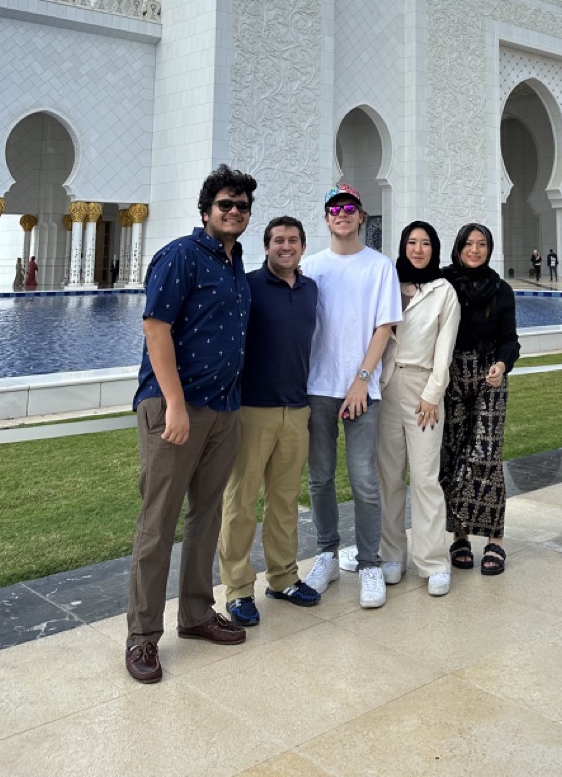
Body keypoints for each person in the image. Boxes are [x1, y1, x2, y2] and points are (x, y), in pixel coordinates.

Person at [125, 164, 256, 684]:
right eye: (226, 204)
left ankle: (197, 613)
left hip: (223, 410)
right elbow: (156, 328)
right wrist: (175, 405)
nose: (235, 212)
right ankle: (141, 637)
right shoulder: (181, 254)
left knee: (206, 517)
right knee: (157, 524)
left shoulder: (235, 262)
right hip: (176, 408)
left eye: (243, 206)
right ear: (207, 211)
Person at [301, 184, 401, 610]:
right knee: (320, 477)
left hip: (363, 389)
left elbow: (384, 327)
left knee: (364, 480)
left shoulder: (379, 267)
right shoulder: (310, 266)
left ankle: (369, 562)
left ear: (361, 217)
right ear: (326, 218)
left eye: (349, 208)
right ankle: (326, 553)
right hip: (317, 389)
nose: (342, 214)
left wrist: (362, 379)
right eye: (334, 208)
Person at [347, 221, 460, 597]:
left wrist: (432, 393)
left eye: (425, 243)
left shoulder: (444, 292)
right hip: (385, 386)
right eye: (411, 242)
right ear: (403, 246)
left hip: (423, 389)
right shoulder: (389, 283)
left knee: (426, 477)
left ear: (435, 248)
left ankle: (433, 561)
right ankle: (391, 554)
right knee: (388, 476)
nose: (417, 249)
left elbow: (445, 350)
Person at [218, 216, 321, 627]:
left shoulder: (311, 288)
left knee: (284, 501)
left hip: (296, 410)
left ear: (302, 246)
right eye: (278, 240)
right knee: (241, 501)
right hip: (253, 410)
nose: (286, 246)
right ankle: (239, 589)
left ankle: (283, 577)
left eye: (293, 240)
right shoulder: (249, 286)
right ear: (266, 246)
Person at [440, 223, 520, 577]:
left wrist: (502, 364)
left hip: (489, 377)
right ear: (458, 247)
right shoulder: (443, 283)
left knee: (486, 455)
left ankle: (495, 539)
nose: (475, 250)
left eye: (482, 244)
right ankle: (459, 535)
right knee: (453, 453)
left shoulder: (501, 290)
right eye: (469, 244)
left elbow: (510, 339)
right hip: (449, 376)